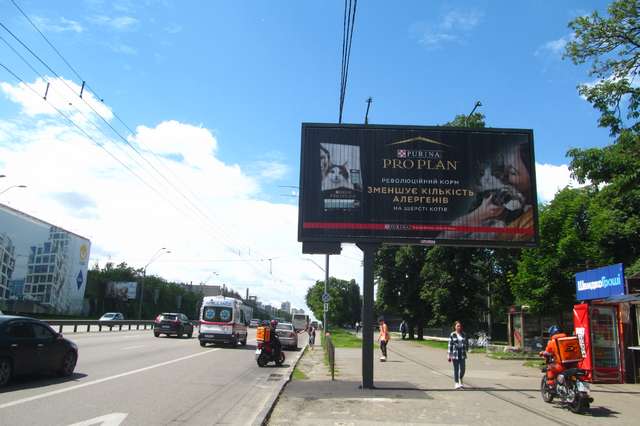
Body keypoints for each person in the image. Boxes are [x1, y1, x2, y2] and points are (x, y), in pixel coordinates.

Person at [447, 321, 468, 389]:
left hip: (462, 353)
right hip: (455, 353)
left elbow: (466, 343)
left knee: (463, 369)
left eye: (460, 326)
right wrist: (449, 355)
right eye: (458, 326)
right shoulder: (452, 334)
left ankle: (460, 379)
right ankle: (456, 383)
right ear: (455, 327)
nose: (459, 327)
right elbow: (450, 345)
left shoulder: (463, 334)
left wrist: (467, 348)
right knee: (456, 369)